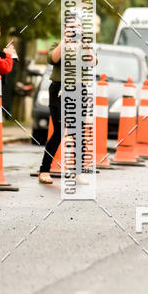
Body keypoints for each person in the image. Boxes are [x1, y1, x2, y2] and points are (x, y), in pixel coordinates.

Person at [38, 14, 95, 185]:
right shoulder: (58, 45)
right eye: (72, 26)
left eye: (78, 26)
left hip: (79, 90)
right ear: (65, 28)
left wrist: (83, 41)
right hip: (59, 89)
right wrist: (66, 40)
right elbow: (53, 58)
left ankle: (78, 171)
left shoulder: (84, 46)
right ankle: (44, 170)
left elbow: (92, 62)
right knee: (59, 131)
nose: (75, 29)